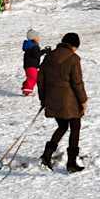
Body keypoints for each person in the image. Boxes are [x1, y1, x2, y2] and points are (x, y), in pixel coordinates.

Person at [38, 32, 87, 173]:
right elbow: (77, 83)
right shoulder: (73, 58)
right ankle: (71, 163)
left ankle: (46, 155)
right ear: (74, 46)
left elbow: (40, 81)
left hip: (52, 99)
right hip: (69, 102)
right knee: (75, 127)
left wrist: (43, 100)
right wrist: (83, 100)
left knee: (63, 126)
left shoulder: (49, 57)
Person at [22, 28, 47, 96]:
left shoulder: (30, 45)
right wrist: (44, 51)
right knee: (33, 78)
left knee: (31, 77)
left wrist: (43, 51)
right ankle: (27, 91)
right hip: (31, 65)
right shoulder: (34, 46)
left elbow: (35, 54)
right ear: (33, 38)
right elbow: (36, 55)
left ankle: (25, 87)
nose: (39, 38)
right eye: (37, 37)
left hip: (29, 65)